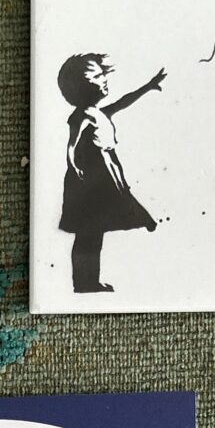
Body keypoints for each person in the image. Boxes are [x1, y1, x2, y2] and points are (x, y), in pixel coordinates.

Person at [56, 53, 166, 293]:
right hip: (90, 179)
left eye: (103, 74)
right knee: (88, 233)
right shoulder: (82, 115)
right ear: (81, 86)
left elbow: (124, 102)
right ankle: (84, 282)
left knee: (94, 233)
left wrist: (148, 86)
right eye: (97, 76)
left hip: (106, 174)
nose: (104, 79)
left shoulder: (99, 113)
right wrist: (73, 164)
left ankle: (88, 281)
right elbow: (72, 144)